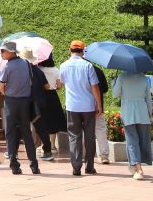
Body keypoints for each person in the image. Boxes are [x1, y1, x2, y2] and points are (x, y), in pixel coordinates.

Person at [58, 40, 103, 176]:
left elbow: (60, 84)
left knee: (74, 136)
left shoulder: (64, 66)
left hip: (72, 106)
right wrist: (99, 104)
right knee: (89, 136)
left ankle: (76, 167)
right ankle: (89, 166)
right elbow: (94, 86)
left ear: (70, 50)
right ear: (83, 51)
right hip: (88, 106)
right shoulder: (88, 66)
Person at [0, 41, 40, 175]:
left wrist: (8, 93)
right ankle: (34, 165)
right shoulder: (26, 63)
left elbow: (1, 87)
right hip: (25, 102)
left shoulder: (7, 67)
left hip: (11, 102)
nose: (1, 53)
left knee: (10, 134)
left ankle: (14, 165)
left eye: (3, 51)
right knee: (26, 133)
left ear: (10, 52)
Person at [112, 69, 153, 180]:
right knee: (142, 140)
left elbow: (116, 94)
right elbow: (148, 98)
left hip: (128, 112)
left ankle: (138, 168)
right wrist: (150, 113)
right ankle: (134, 166)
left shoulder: (122, 77)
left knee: (132, 141)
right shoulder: (144, 79)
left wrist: (114, 83)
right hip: (142, 111)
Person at [19, 48, 54, 161]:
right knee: (41, 128)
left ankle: (12, 152)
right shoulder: (38, 71)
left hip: (23, 102)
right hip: (38, 102)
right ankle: (47, 151)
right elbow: (47, 86)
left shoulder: (19, 70)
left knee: (18, 127)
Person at [37, 54, 67, 161]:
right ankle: (53, 145)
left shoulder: (39, 69)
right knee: (53, 120)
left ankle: (43, 145)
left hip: (41, 96)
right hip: (53, 96)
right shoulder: (56, 70)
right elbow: (59, 86)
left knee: (42, 120)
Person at [92, 64, 111, 164]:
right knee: (100, 130)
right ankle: (104, 155)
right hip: (98, 105)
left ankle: (86, 154)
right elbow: (105, 88)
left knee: (83, 131)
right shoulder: (98, 70)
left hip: (81, 106)